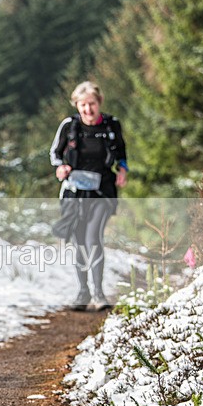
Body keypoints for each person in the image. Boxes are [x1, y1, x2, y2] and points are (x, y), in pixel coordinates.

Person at [50, 81, 128, 311]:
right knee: (79, 242)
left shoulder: (112, 126)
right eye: (83, 105)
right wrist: (60, 168)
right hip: (74, 192)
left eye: (91, 104)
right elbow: (55, 154)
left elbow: (122, 153)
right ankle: (82, 291)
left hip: (102, 190)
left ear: (99, 103)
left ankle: (99, 293)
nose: (88, 110)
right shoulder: (69, 126)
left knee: (94, 238)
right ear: (77, 105)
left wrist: (122, 171)